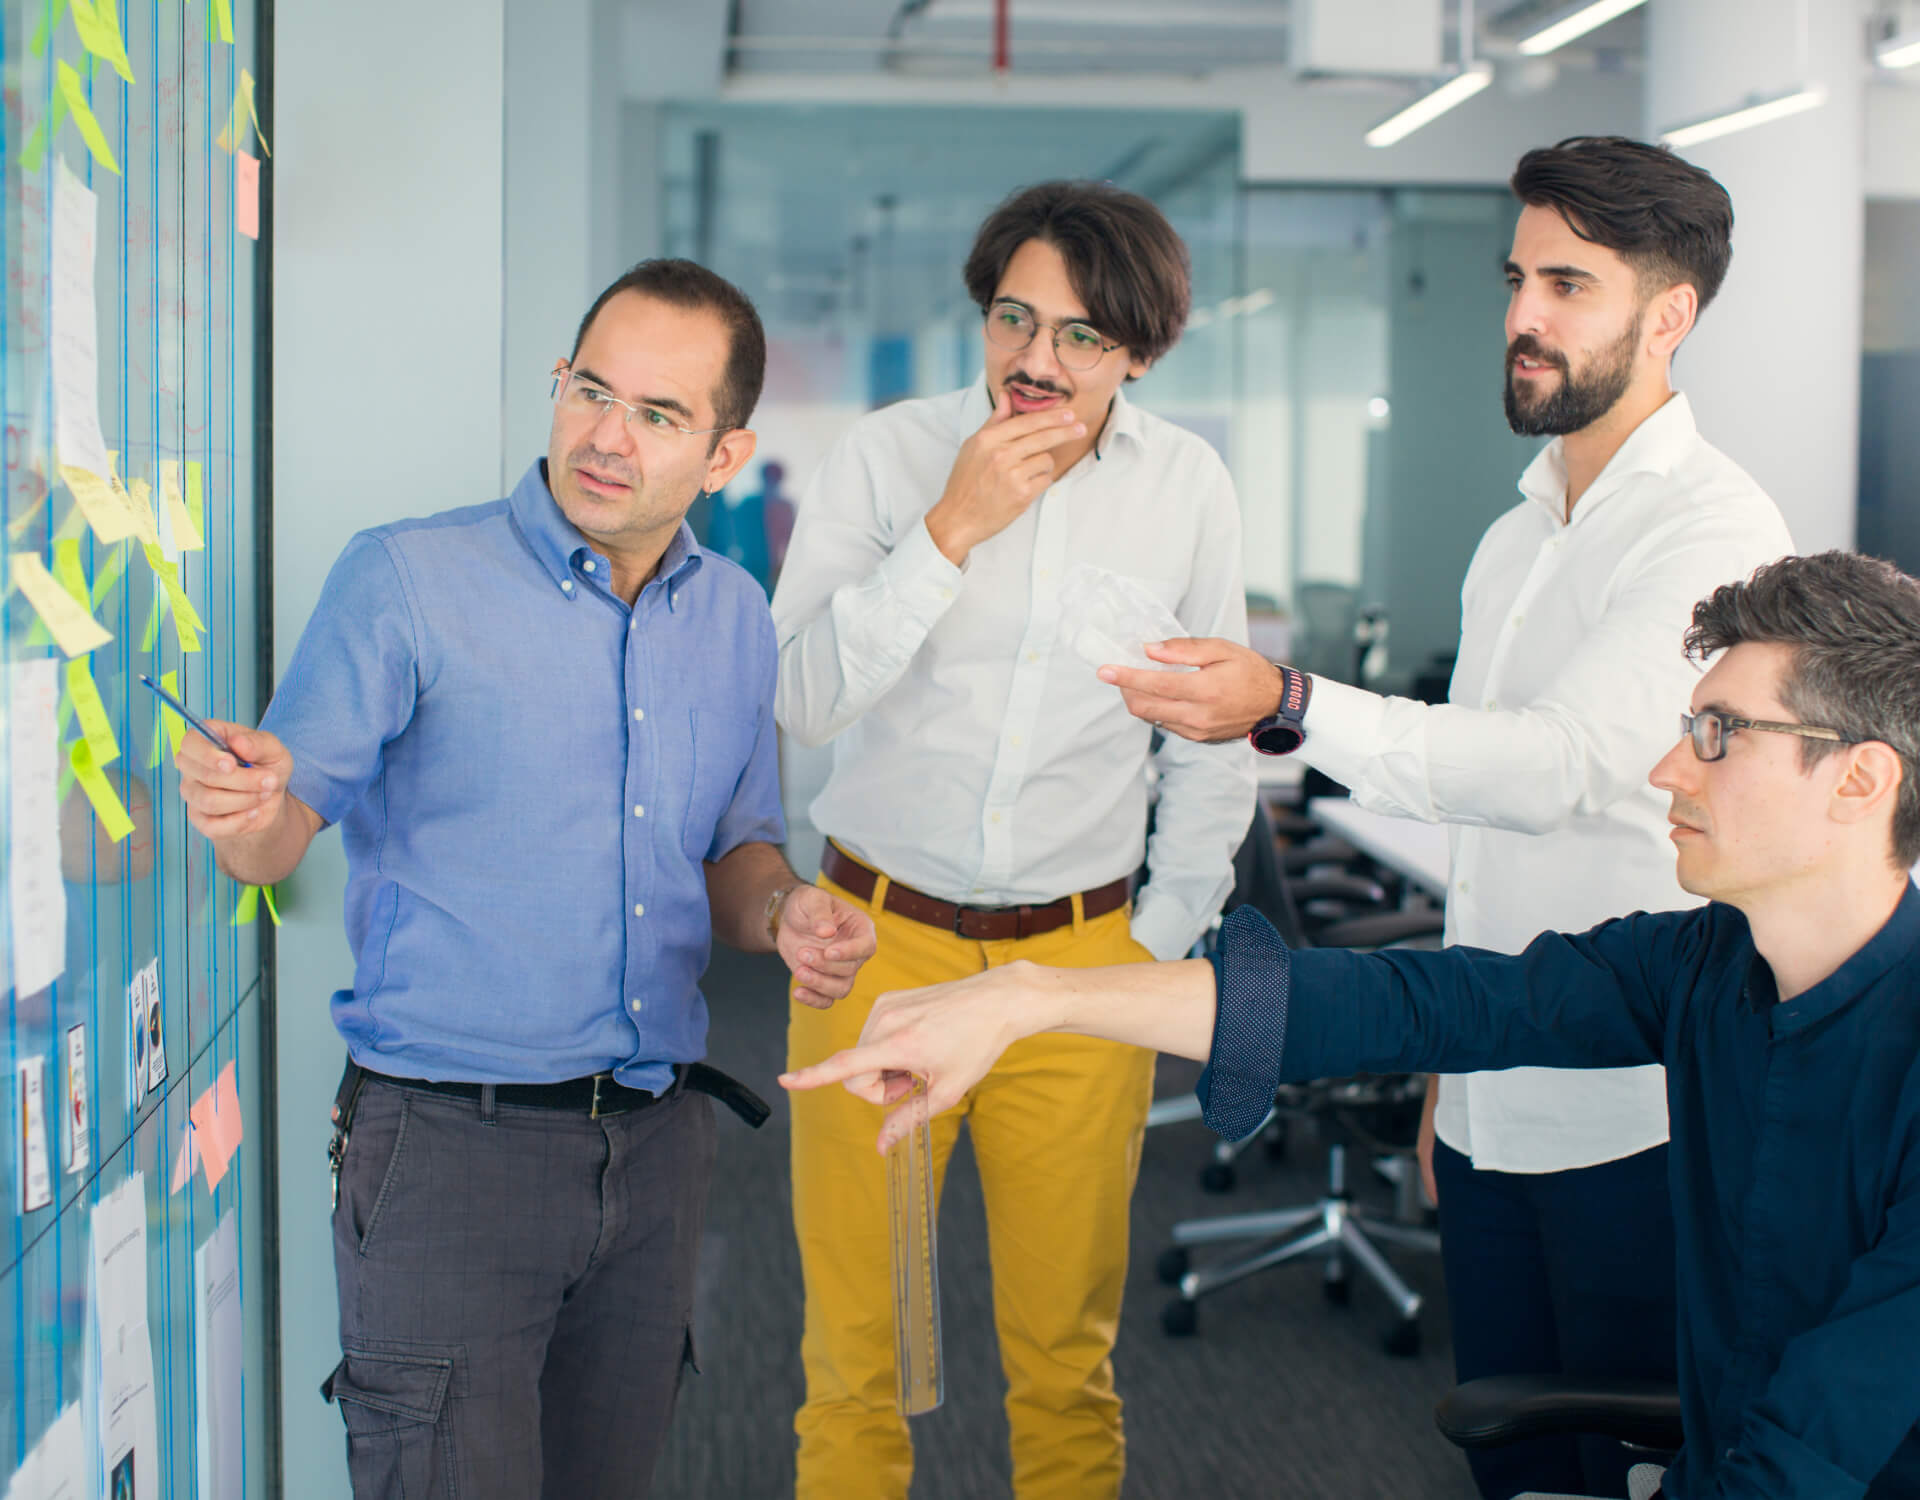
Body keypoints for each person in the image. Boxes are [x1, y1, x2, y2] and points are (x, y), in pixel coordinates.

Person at [784, 549, 1921, 1500]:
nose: (1670, 766)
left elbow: (1818, 1445)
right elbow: (1402, 1001)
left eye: (1719, 733)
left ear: (1860, 780)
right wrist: (1030, 998)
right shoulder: (1706, 968)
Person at [1091, 137, 1795, 1498]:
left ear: (1669, 316)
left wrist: (1286, 699)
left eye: (1568, 285)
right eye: (1517, 277)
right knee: (1515, 1456)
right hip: (1493, 1106)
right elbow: (1488, 841)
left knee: (1625, 1461)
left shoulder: (1712, 531)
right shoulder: (1519, 535)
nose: (1523, 314)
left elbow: (1559, 769)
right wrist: (1447, 1087)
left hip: (1633, 1119)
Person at [173, 258, 878, 1500]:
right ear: (557, 385)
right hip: (452, 1149)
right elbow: (280, 837)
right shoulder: (406, 579)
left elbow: (733, 853)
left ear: (724, 454)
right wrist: (245, 814)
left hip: (657, 1151)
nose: (606, 437)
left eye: (659, 415)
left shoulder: (731, 618)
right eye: (589, 390)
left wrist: (785, 908)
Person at [770, 180, 1256, 1500]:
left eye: (1083, 337)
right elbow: (802, 697)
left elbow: (1213, 736)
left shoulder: (1187, 488)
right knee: (855, 1355)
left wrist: (1150, 943)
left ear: (1139, 355)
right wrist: (952, 529)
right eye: (1013, 320)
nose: (1037, 362)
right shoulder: (887, 457)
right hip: (876, 944)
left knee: (1062, 1357)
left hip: (1078, 962)